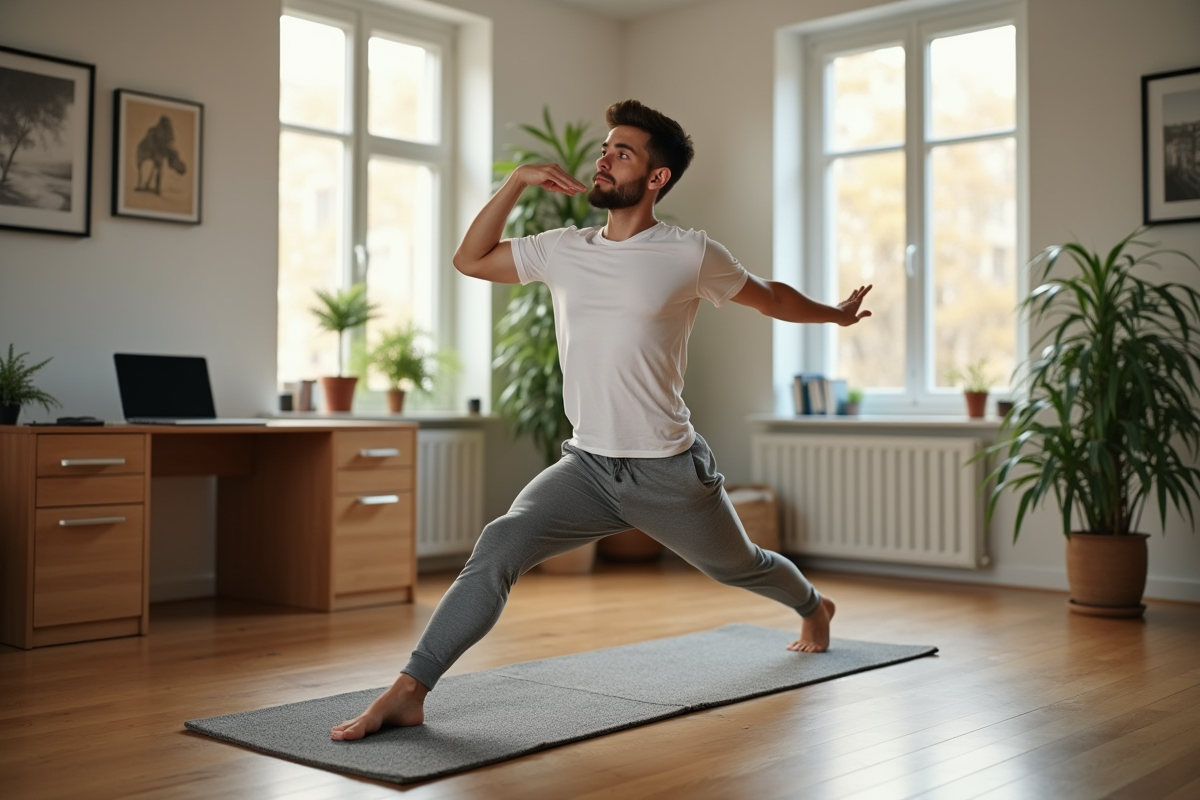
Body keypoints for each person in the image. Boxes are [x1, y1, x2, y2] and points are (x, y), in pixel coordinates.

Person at [331, 99, 871, 741]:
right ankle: (409, 691)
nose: (603, 158)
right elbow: (471, 260)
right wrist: (517, 181)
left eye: (623, 152)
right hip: (586, 466)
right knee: (497, 549)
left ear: (656, 179)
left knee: (741, 564)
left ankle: (814, 606)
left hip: (668, 470)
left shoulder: (690, 253)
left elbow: (771, 297)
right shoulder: (562, 250)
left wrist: (833, 316)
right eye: (605, 148)